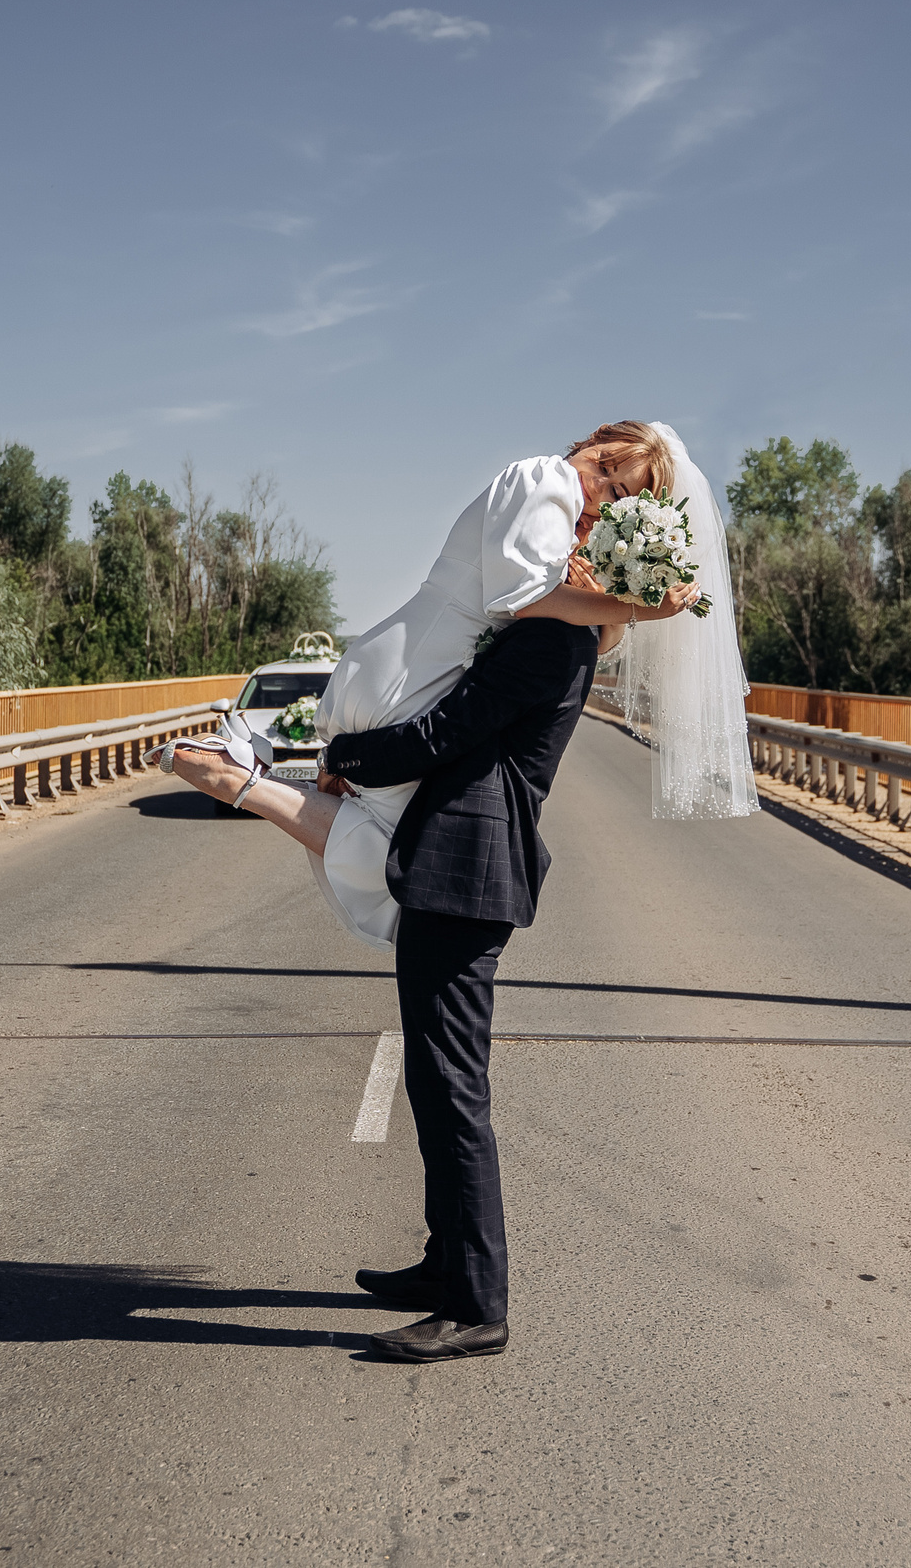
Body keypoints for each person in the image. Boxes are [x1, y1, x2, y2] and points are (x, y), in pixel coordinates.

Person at [163, 421, 755, 1361]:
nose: (588, 506)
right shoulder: (560, 631)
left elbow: (446, 733)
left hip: (465, 870)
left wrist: (344, 754)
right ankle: (446, 1263)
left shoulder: (551, 641)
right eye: (601, 480)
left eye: (609, 497)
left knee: (452, 1086)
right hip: (458, 866)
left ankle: (478, 1303)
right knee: (436, 1080)